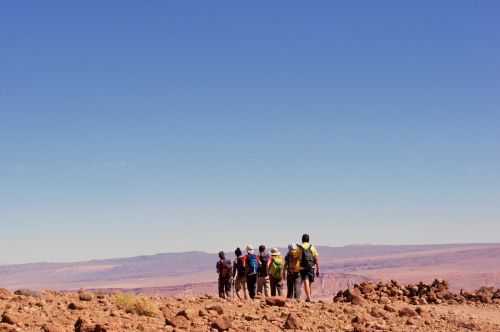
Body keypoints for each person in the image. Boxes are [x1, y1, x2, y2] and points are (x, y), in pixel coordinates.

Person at [297, 234, 320, 302]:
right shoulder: (312, 247)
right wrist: (318, 268)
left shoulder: (300, 247)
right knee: (309, 283)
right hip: (311, 267)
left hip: (303, 267)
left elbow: (297, 257)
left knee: (306, 281)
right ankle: (309, 297)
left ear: (302, 240)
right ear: (308, 240)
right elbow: (316, 258)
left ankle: (309, 297)